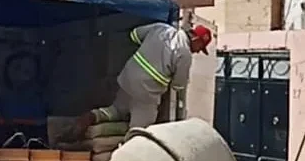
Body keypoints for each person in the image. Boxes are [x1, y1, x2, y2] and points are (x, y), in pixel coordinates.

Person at [79, 23, 212, 132]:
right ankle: (126, 159)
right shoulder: (185, 54)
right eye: (200, 47)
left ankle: (92, 116)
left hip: (127, 78)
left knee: (117, 110)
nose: (198, 51)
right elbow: (178, 86)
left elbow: (134, 35)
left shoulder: (161, 28)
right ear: (195, 39)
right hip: (146, 92)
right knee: (140, 131)